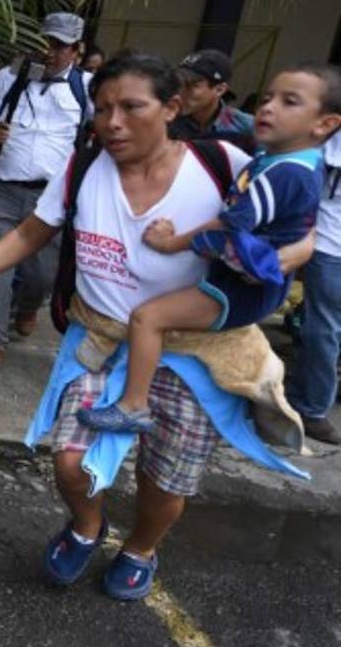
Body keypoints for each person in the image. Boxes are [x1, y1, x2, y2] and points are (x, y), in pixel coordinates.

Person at [0, 51, 315, 601]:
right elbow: (29, 234)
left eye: (131, 107)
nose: (112, 122)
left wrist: (280, 262)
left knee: (165, 478)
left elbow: (301, 231)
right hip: (102, 338)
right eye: (102, 109)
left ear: (171, 107)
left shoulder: (225, 164)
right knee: (69, 462)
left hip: (197, 349)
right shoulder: (83, 167)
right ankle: (87, 526)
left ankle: (141, 549)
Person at [79, 63, 339, 434]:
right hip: (252, 281)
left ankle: (133, 406)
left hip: (241, 289)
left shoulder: (285, 174)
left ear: (324, 124)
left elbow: (225, 229)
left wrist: (171, 242)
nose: (267, 108)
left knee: (147, 318)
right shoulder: (279, 161)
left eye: (289, 102)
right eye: (267, 98)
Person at [0, 11, 93, 369]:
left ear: (77, 51)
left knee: (43, 274)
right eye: (45, 43)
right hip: (3, 188)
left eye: (60, 46)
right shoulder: (7, 79)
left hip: (51, 197)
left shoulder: (88, 88)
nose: (50, 52)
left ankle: (29, 305)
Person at [289, 127, 341, 444]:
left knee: (323, 328)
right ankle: (306, 400)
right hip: (325, 242)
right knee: (322, 327)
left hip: (331, 245)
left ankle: (312, 407)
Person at [169, 49, 256, 153]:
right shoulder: (166, 118)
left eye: (192, 85)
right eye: (180, 83)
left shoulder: (245, 127)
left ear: (220, 89)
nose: (181, 91)